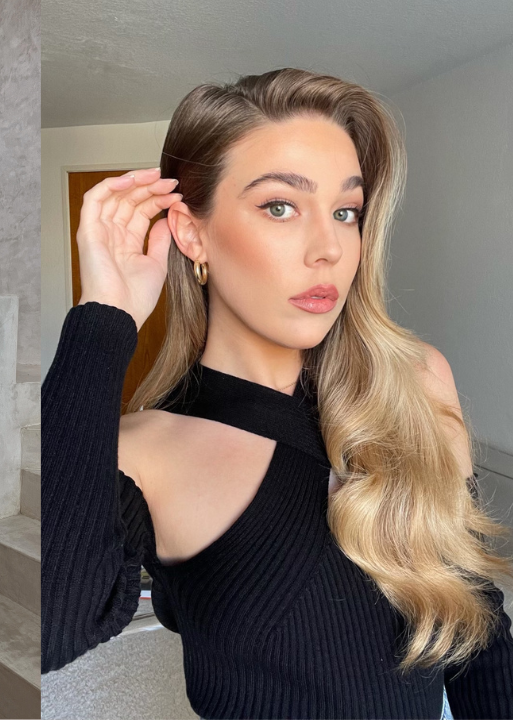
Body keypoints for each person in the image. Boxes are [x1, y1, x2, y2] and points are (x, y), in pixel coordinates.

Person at [41, 68, 513, 718]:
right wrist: (103, 318)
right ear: (192, 232)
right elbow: (54, 623)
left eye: (346, 212)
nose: (329, 249)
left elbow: (474, 624)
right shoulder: (147, 451)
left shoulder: (418, 381)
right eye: (280, 207)